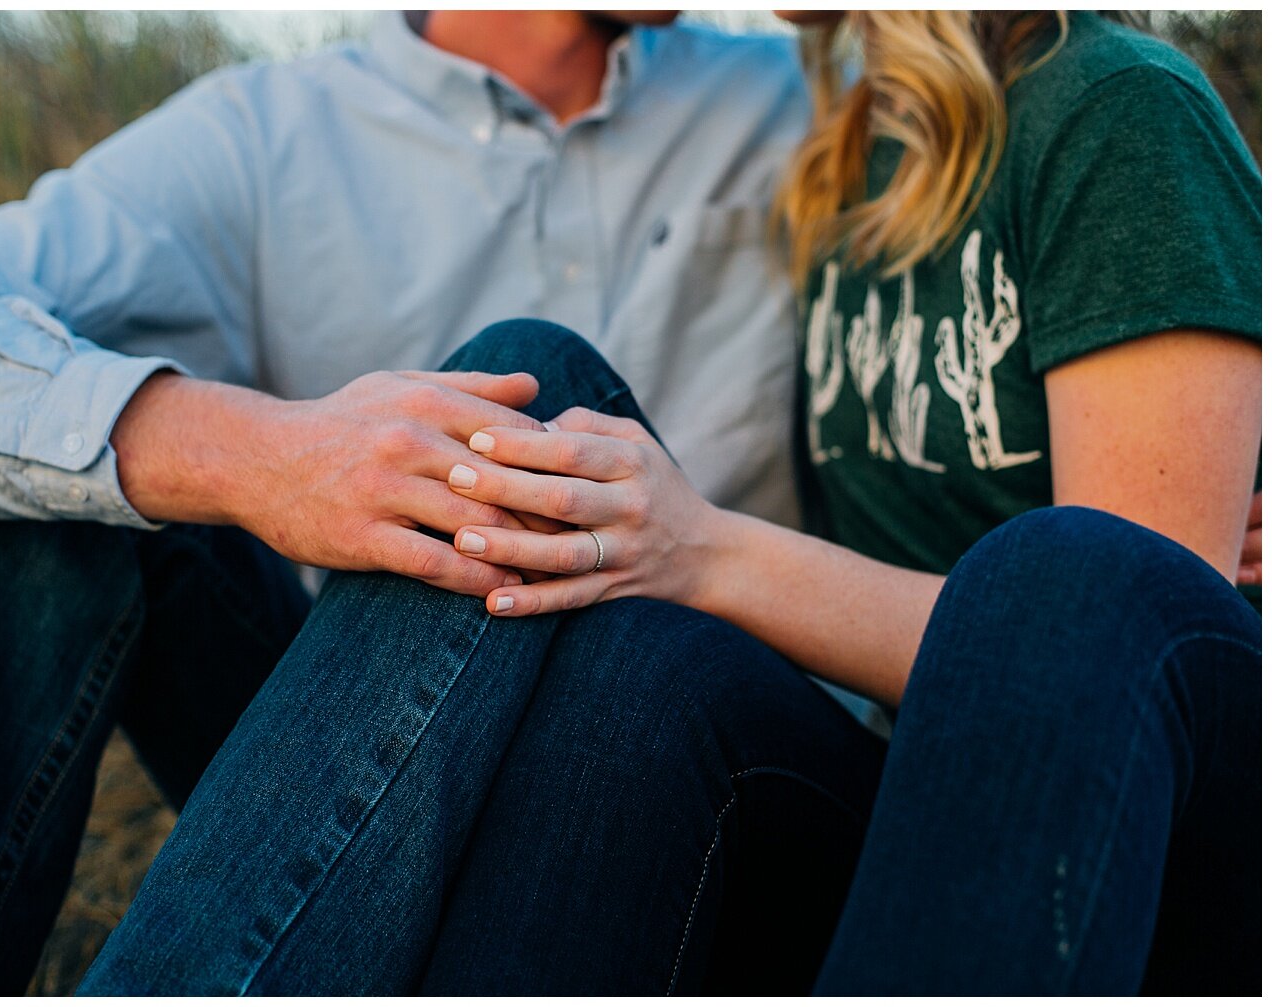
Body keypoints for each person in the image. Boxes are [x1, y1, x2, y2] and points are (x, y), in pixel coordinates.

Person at [0, 10, 863, 997]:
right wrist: (262, 456)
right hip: (381, 749)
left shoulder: (811, 90)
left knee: (529, 380)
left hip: (712, 775)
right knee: (37, 452)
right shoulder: (272, 134)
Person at [396, 9, 1259, 994]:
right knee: (637, 656)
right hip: (925, 799)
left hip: (1149, 842)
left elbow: (1117, 651)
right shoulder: (847, 155)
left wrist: (705, 551)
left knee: (1063, 578)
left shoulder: (1116, 105)